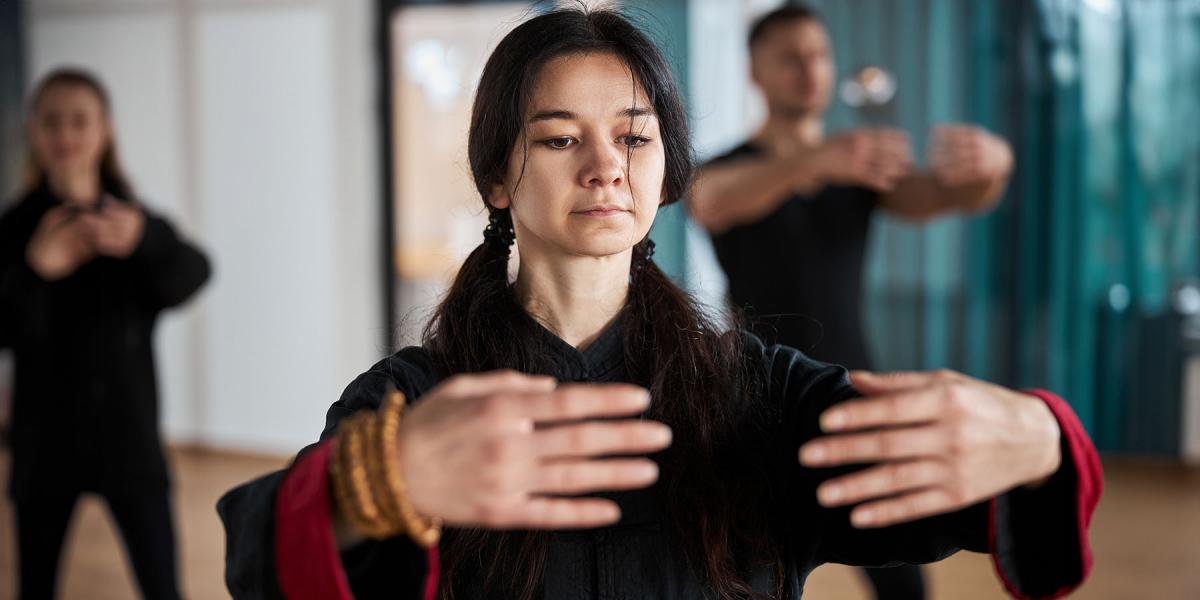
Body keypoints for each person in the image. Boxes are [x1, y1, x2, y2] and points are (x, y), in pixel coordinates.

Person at [218, 8, 1099, 600]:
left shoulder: (756, 395)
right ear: (497, 179)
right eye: (559, 137)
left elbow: (948, 484)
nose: (604, 165)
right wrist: (381, 483)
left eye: (633, 137)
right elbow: (263, 550)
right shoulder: (417, 400)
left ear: (663, 170)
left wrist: (1038, 440)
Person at [689, 7, 1015, 597]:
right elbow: (709, 203)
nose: (808, 69)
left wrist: (993, 168)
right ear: (754, 72)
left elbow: (941, 194)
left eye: (817, 55)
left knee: (903, 586)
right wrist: (812, 161)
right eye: (789, 56)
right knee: (748, 581)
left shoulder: (857, 171)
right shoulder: (729, 168)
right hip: (754, 404)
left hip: (851, 395)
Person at [0, 69, 210, 599]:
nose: (65, 135)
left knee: (163, 587)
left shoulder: (131, 221)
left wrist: (144, 239)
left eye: (79, 121)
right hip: (43, 444)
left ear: (104, 130)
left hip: (129, 437)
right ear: (34, 132)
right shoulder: (13, 228)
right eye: (51, 122)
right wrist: (35, 271)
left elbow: (193, 273)